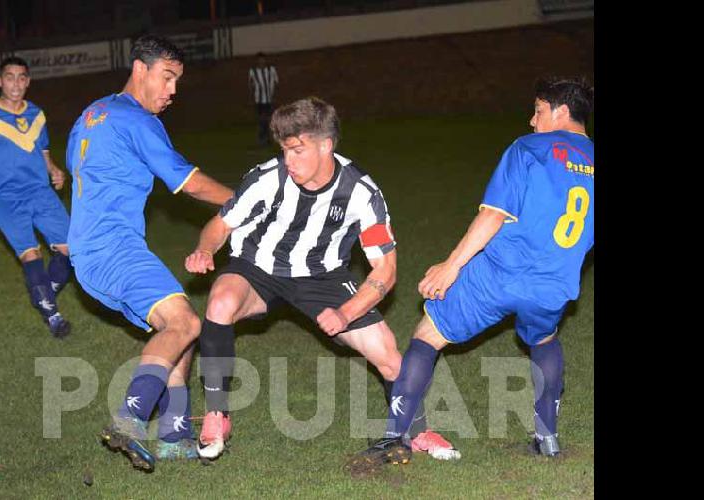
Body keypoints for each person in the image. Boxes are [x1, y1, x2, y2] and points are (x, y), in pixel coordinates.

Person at [185, 97, 459, 463]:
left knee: (388, 354)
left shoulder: (361, 193)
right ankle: (217, 415)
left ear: (326, 145)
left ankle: (417, 429)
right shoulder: (268, 178)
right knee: (219, 302)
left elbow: (385, 271)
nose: (288, 161)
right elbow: (220, 224)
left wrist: (345, 313)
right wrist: (206, 249)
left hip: (321, 276)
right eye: (284, 150)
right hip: (259, 267)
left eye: (297, 151)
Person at [349, 76, 594, 471]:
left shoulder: (528, 148)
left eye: (538, 110)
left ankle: (396, 437)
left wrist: (451, 266)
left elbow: (494, 215)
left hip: (499, 274)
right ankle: (547, 438)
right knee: (544, 338)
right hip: (555, 284)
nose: (532, 121)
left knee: (427, 335)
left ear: (561, 111)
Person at [65, 35, 234, 471]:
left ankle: (175, 433)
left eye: (176, 80)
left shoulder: (90, 114)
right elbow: (190, 183)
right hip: (114, 249)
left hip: (88, 255)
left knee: (176, 323)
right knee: (185, 321)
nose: (172, 90)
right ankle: (131, 418)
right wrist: (246, 202)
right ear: (140, 69)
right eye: (167, 77)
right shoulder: (137, 120)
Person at [0, 57, 74, 339]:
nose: (16, 83)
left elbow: (42, 149)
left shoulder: (38, 115)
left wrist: (53, 168)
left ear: (28, 82)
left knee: (71, 250)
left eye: (21, 77)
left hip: (40, 192)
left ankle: (43, 291)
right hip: (6, 199)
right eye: (10, 77)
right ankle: (53, 317)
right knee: (31, 253)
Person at [249, 52, 279, 146]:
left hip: (269, 99)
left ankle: (267, 138)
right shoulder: (253, 71)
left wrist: (275, 96)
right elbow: (251, 85)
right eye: (259, 60)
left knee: (269, 119)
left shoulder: (271, 70)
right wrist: (252, 98)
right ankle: (262, 139)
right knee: (262, 119)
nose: (261, 62)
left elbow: (276, 82)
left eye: (263, 60)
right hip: (259, 100)